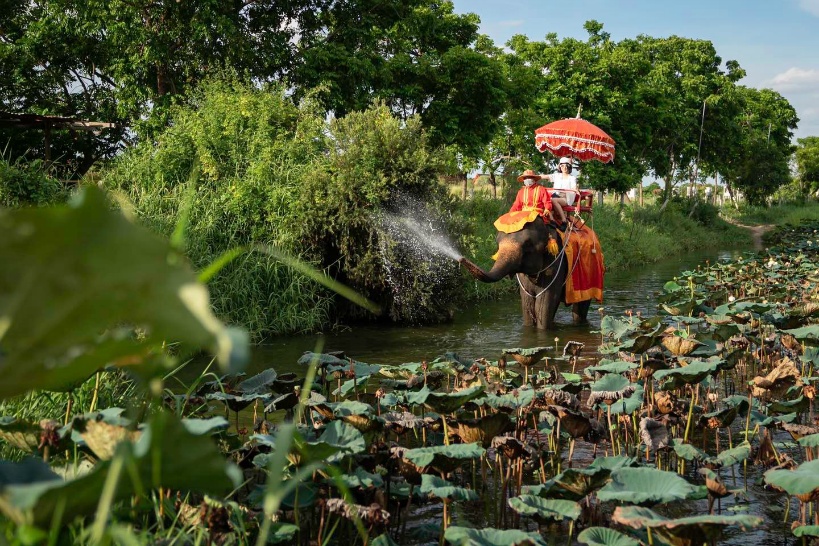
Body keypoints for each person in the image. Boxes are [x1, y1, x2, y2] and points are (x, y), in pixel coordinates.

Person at [539, 157, 578, 225]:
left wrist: (576, 189)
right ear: (560, 167)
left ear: (569, 167)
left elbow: (574, 187)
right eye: (562, 166)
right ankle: (552, 220)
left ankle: (564, 220)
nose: (564, 167)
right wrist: (534, 176)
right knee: (545, 201)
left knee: (553, 200)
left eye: (566, 166)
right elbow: (545, 176)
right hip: (555, 195)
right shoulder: (557, 175)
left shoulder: (572, 178)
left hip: (565, 198)